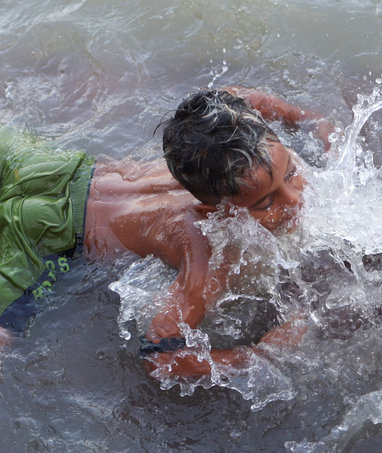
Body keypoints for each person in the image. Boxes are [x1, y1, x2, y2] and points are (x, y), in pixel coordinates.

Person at [0, 87, 334, 378]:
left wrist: (307, 118)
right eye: (264, 203)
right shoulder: (209, 257)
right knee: (5, 339)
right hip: (44, 233)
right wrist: (254, 358)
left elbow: (239, 96)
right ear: (212, 213)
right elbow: (160, 356)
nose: (295, 202)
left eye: (290, 174)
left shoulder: (219, 143)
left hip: (47, 169)